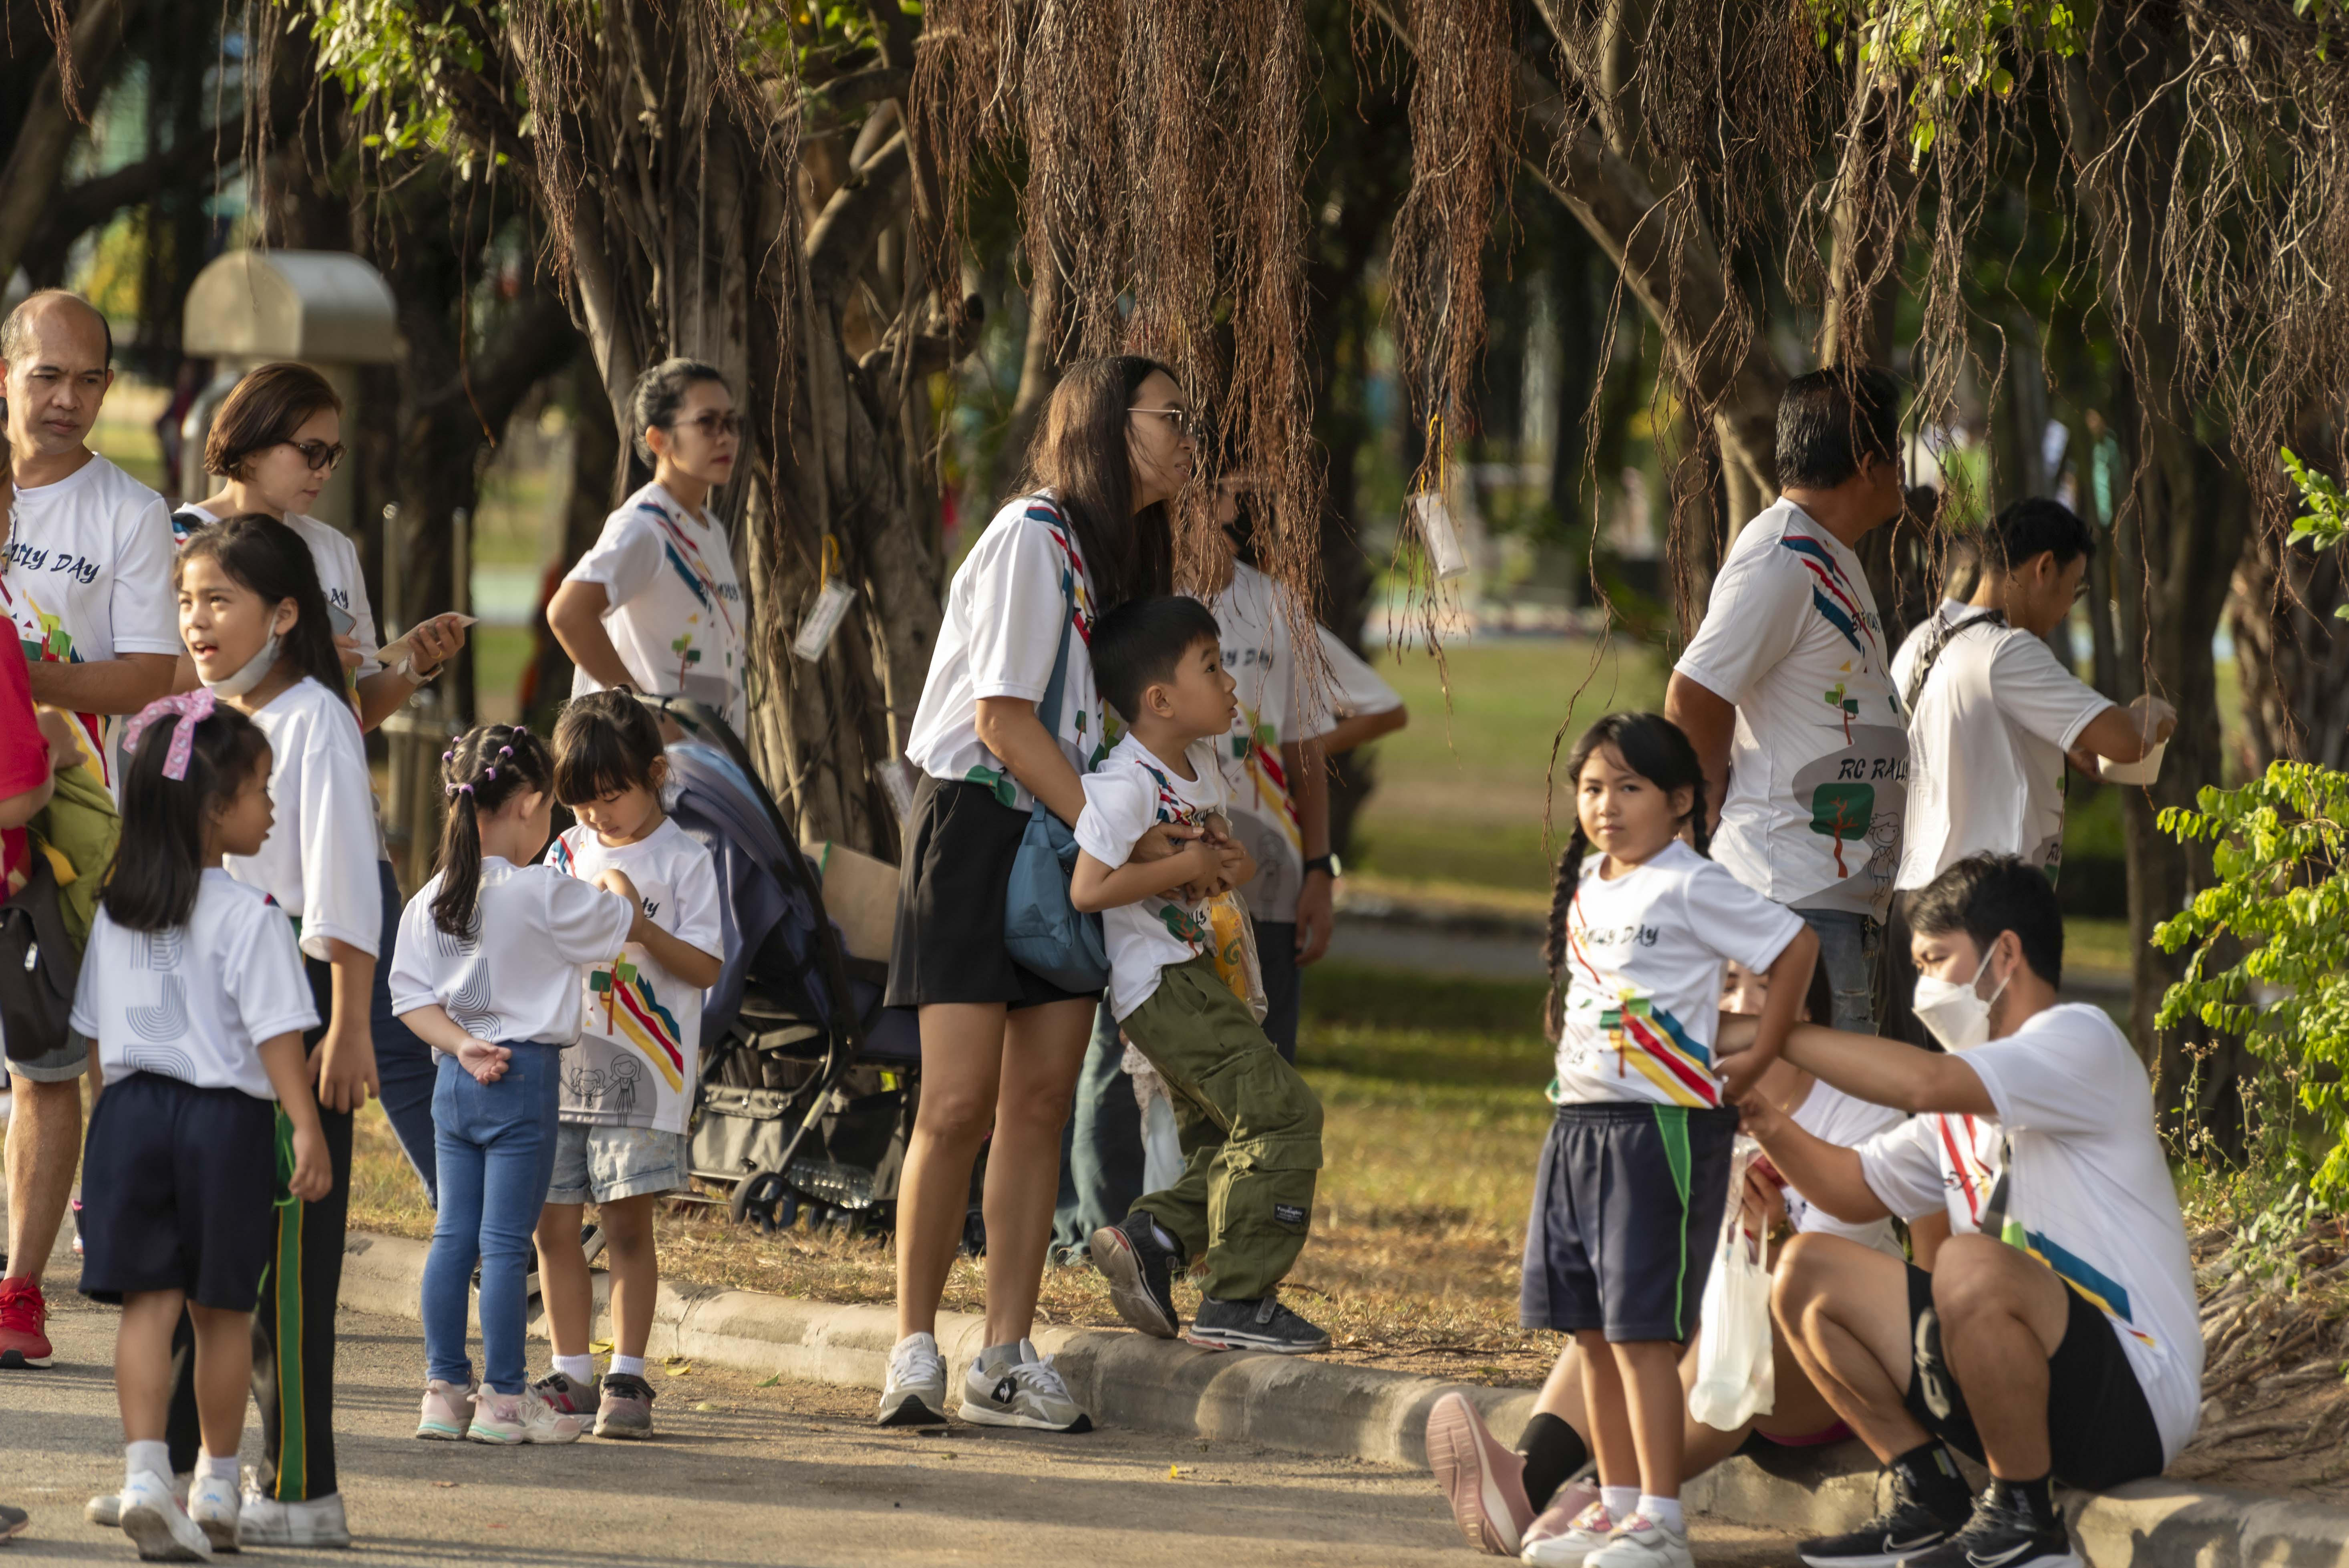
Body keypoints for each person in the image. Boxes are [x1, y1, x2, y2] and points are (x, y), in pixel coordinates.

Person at [879, 355, 1198, 1431]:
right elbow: (1001, 721)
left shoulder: (1112, 559)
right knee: (956, 1103)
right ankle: (913, 1348)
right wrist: (1114, 828)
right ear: (1107, 427)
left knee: (1039, 1102)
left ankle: (1004, 1356)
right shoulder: (1032, 534)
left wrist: (1146, 825)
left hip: (1063, 839)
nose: (1185, 435)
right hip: (980, 831)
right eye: (1169, 415)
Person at [1723, 854, 2200, 1568]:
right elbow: (1850, 1186)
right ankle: (1929, 1492)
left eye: (1936, 960)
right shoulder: (1958, 1109)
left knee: (1968, 1260)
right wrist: (1761, 1115)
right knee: (1806, 1271)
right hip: (2013, 1383)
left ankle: (2027, 1526)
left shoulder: (2081, 1040)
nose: (1923, 987)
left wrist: (1768, 1033)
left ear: (2005, 955)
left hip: (2133, 1401)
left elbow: (1924, 1082)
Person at [1428, 712, 1819, 1568]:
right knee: (1593, 1333)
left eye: (1629, 787)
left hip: (1659, 1130)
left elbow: (1796, 945)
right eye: (1592, 787)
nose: (1606, 805)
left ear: (1679, 801)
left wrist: (1757, 1057)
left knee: (1643, 1334)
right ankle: (1612, 1508)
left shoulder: (1690, 883)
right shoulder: (1590, 883)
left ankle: (1660, 1521)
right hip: (1577, 1129)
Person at [1426, 957, 1942, 1564]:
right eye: (1727, 985)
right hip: (1704, 1373)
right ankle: (1526, 1481)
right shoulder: (1683, 1099)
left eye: (1765, 986)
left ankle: (1608, 1499)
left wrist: (1771, 1231)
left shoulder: (1855, 1106)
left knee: (1766, 1294)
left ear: (1805, 1009)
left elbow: (1823, 1277)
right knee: (1633, 1292)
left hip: (1822, 1377)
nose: (1742, 1003)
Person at [172, 361, 467, 1206]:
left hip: (335, 818)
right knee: (236, 1048)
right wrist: (281, 659)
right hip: (234, 839)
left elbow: (353, 708)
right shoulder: (186, 537)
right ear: (249, 440)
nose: (324, 471)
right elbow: (171, 686)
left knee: (393, 1031)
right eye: (309, 450)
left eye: (334, 454)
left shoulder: (332, 550)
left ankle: (483, 1231)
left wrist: (409, 666)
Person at [72, 693, 332, 1560]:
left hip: (130, 1113)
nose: (271, 807)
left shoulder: (116, 910)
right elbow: (278, 1036)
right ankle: (218, 1485)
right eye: (261, 790)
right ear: (216, 808)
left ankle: (148, 1476)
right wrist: (307, 1127)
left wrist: (106, 1136)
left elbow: (97, 1040)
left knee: (146, 1309)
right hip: (223, 1121)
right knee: (224, 1311)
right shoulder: (252, 915)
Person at [177, 516, 381, 1546]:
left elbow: (343, 887)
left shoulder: (315, 722)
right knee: (203, 1258)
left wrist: (347, 1026)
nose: (197, 622)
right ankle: (183, 1477)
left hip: (291, 1005)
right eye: (186, 601)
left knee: (288, 1267)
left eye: (220, 600)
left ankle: (302, 1488)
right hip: (201, 1011)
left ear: (286, 613)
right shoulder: (199, 718)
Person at [1074, 596, 1330, 1353]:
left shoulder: (1201, 768)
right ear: (1160, 700)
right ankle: (1238, 1297)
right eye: (1212, 667)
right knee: (1283, 1114)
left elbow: (1217, 873)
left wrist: (1223, 863)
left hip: (1202, 972)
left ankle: (1153, 1237)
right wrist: (1186, 863)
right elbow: (1089, 889)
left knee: (1230, 1137)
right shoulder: (1125, 782)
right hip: (1160, 982)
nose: (1230, 683)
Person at [0, 289, 178, 1375]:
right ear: (6, 375)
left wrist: (22, 682)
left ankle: (20, 1291)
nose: (67, 400)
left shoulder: (129, 511)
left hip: (60, 834)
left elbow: (150, 673)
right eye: (46, 376)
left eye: (88, 381)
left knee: (46, 1064)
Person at [390, 722, 644, 1446]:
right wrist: (614, 878)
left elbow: (408, 998)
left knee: (452, 1237)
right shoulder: (545, 892)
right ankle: (504, 1397)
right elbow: (621, 921)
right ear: (529, 803)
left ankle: (444, 1392)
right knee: (505, 1246)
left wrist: (462, 1044)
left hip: (455, 1076)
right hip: (524, 1077)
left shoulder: (431, 897)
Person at [1665, 368, 1911, 1039]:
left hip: (1830, 893)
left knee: (1836, 1091)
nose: (1904, 470)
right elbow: (1695, 692)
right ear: (1868, 462)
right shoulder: (1780, 557)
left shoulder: (1827, 552)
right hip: (1790, 895)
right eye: (1897, 452)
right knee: (1818, 1092)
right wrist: (1702, 821)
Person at [1884, 497, 2175, 1042]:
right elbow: (2125, 741)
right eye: (2075, 587)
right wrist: (2151, 715)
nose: (2069, 606)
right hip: (1978, 915)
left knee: (1921, 1081)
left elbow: (1962, 742)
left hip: (1911, 906)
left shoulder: (1923, 640)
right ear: (2044, 568)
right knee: (1990, 1081)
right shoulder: (2008, 651)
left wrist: (2058, 749)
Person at [531, 692, 723, 1439]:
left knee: (626, 1227)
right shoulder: (565, 852)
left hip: (644, 1080)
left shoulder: (685, 859)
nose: (597, 815)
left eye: (612, 795)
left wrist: (639, 927)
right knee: (553, 1225)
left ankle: (629, 1374)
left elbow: (705, 967)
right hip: (559, 1070)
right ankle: (571, 1369)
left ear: (655, 774)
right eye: (581, 800)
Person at [548, 360, 747, 733]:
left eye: (731, 423)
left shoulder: (712, 530)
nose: (725, 438)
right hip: (660, 765)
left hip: (711, 760)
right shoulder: (645, 527)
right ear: (659, 440)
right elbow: (568, 613)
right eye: (707, 423)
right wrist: (645, 714)